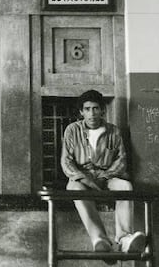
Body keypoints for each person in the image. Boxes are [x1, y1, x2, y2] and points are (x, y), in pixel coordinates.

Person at [61, 90, 146, 263]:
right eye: (87, 109)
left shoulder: (113, 131)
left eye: (95, 108)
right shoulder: (72, 130)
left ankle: (124, 238)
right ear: (81, 112)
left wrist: (105, 177)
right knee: (74, 188)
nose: (92, 113)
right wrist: (85, 179)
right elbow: (66, 161)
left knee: (125, 186)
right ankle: (100, 239)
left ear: (102, 110)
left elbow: (121, 160)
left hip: (107, 177)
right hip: (82, 179)